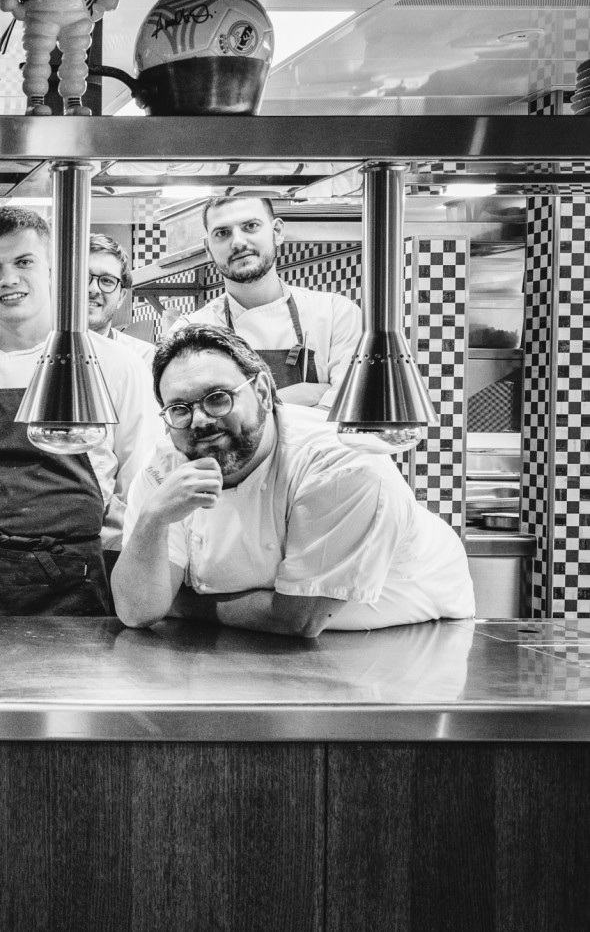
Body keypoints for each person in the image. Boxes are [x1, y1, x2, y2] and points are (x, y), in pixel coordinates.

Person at [112, 324, 475, 635]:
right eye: (179, 408)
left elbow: (297, 619)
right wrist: (153, 519)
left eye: (218, 398)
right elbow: (137, 611)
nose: (201, 420)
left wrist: (180, 603)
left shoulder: (340, 468)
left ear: (263, 392)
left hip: (408, 642)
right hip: (250, 646)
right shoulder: (165, 468)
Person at [0, 206, 160, 615]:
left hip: (73, 582)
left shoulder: (117, 367)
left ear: (54, 271)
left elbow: (138, 486)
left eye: (24, 262)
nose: (8, 279)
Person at [178, 197, 362, 409]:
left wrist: (237, 409)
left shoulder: (336, 314)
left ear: (277, 232)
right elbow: (194, 417)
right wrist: (305, 395)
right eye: (222, 233)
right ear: (208, 249)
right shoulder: (189, 332)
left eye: (250, 226)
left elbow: (349, 412)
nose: (238, 242)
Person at [87, 233, 155, 364]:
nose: (94, 289)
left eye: (107, 280)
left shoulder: (143, 358)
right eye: (83, 277)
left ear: (121, 297)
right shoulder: (44, 352)